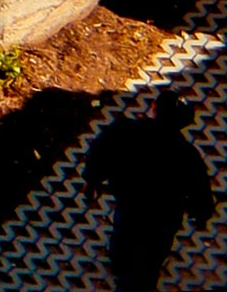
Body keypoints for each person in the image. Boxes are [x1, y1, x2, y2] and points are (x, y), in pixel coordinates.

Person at [91, 101, 214, 292]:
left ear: (154, 108)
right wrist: (201, 214)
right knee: (149, 261)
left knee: (124, 236)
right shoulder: (187, 155)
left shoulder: (125, 130)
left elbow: (100, 151)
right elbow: (200, 189)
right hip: (163, 219)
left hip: (130, 206)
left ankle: (122, 264)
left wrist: (93, 180)